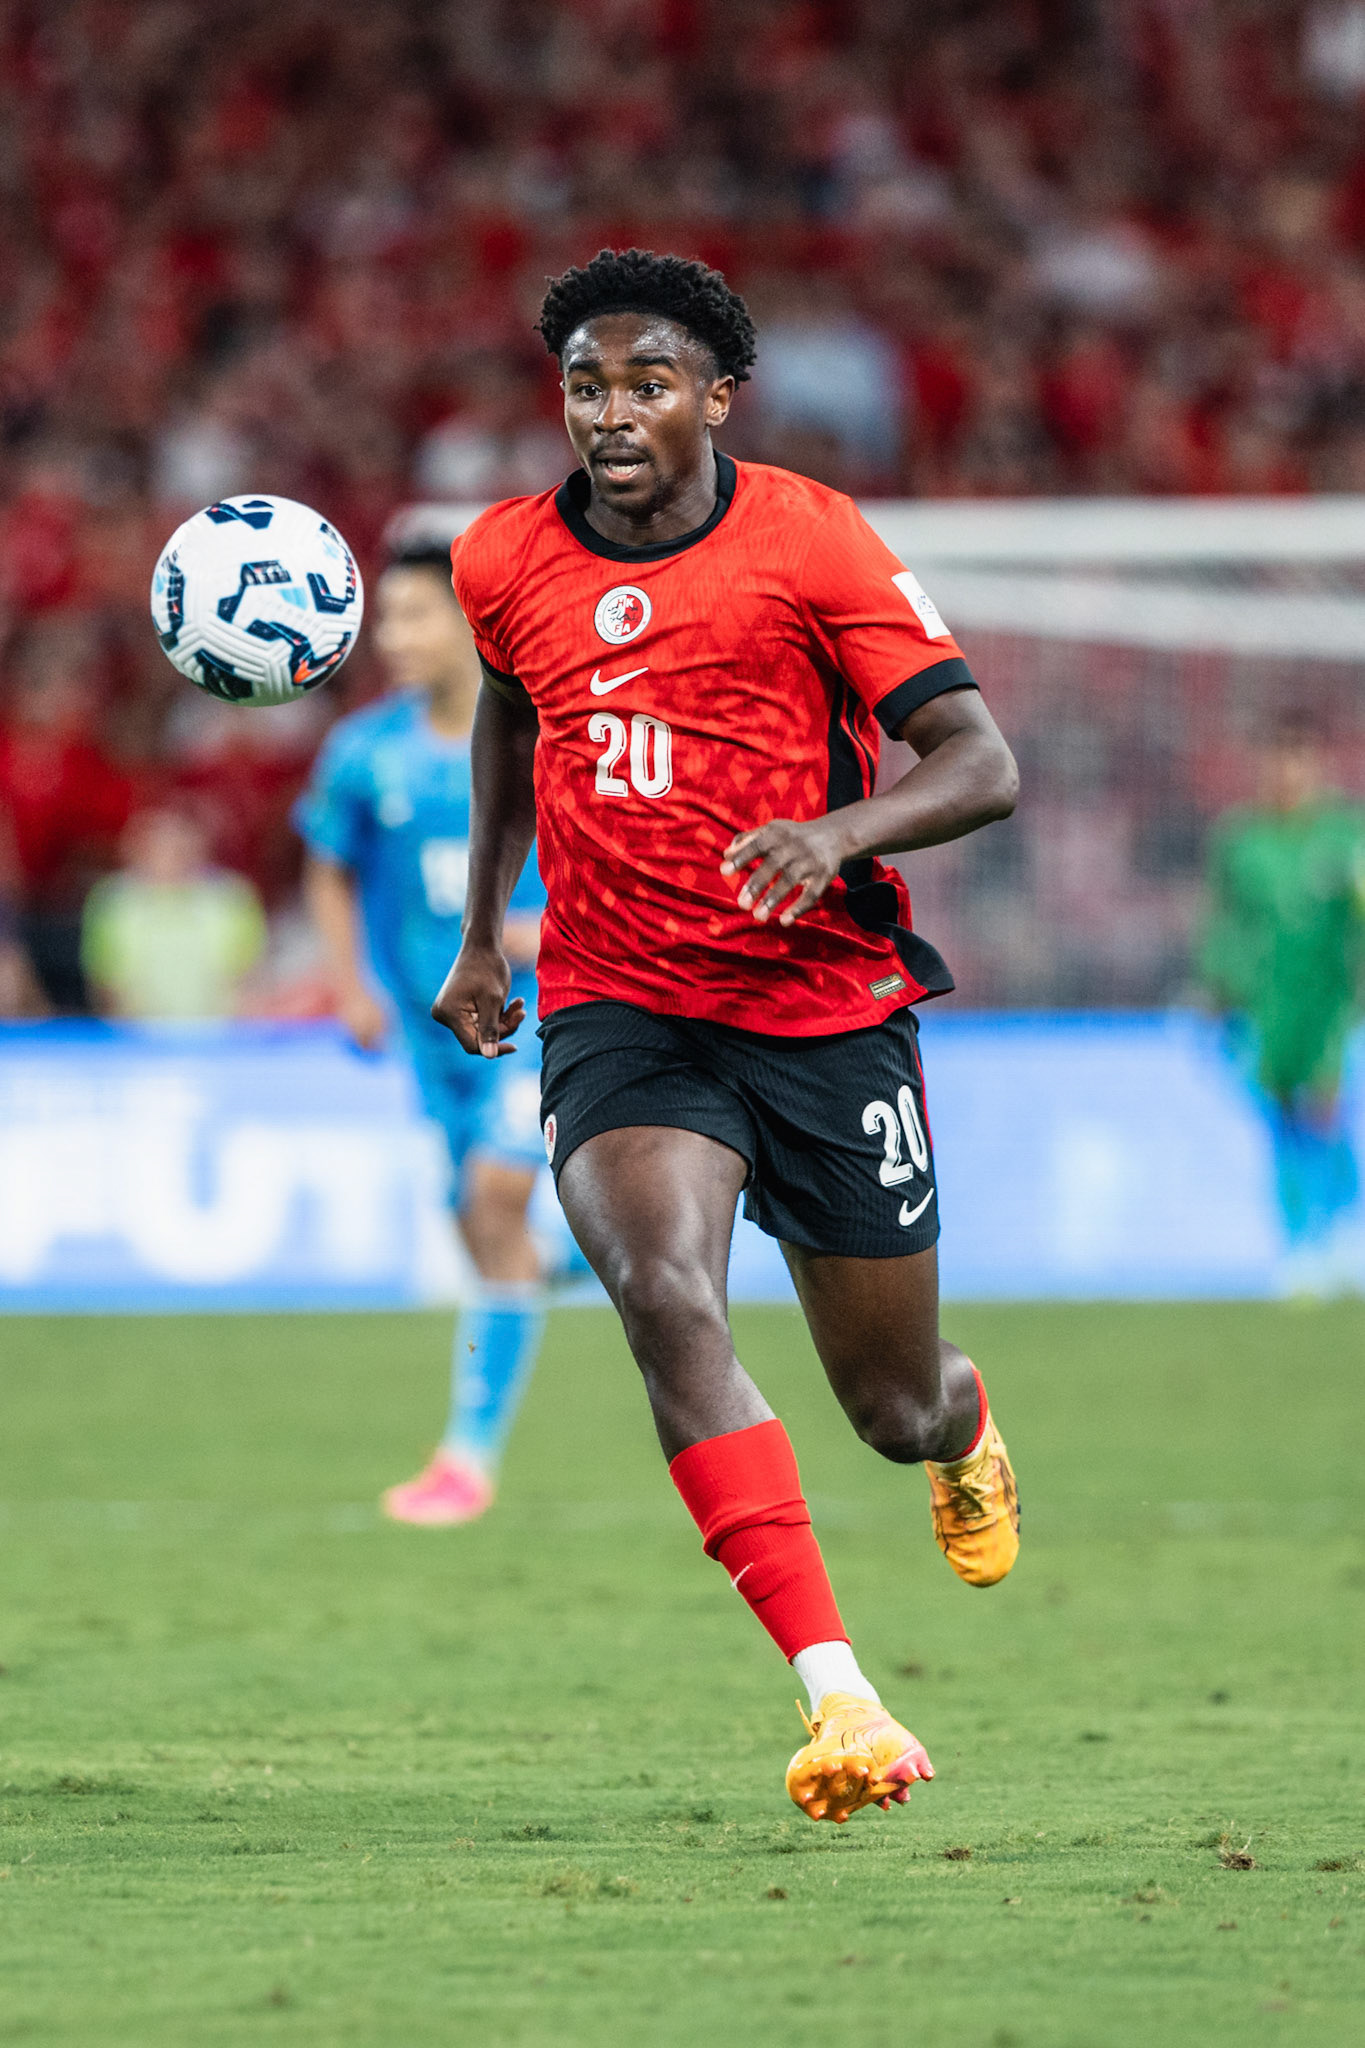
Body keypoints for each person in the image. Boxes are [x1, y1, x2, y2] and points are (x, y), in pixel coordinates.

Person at [432, 248, 1021, 1825]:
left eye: (644, 383)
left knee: (892, 1409)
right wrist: (488, 927)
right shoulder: (501, 557)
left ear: (715, 397)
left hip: (823, 1010)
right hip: (625, 1006)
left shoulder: (808, 538)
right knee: (658, 1286)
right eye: (583, 385)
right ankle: (842, 1696)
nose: (610, 412)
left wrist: (836, 835)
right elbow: (507, 711)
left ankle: (964, 1429)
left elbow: (979, 761)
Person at [295, 543, 549, 1524]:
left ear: (469, 621)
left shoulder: (539, 739)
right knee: (483, 1226)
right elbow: (327, 864)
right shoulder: (364, 753)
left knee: (492, 1201)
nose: (391, 639)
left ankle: (465, 1459)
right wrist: (345, 980)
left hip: (538, 1017)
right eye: (385, 620)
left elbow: (613, 851)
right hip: (425, 1028)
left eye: (412, 616)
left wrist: (548, 926)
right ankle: (568, 1264)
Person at [1200, 708, 1365, 1295]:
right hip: (1264, 1007)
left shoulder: (1347, 834)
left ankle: (1343, 1229)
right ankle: (1300, 1246)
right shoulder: (1242, 839)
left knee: (1325, 1114)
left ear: (1318, 763)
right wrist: (1215, 988)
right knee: (1282, 1123)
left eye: (1300, 758)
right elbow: (1222, 923)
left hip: (1330, 1006)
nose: (1289, 771)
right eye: (1279, 758)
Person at [81, 806, 266, 1019]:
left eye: (180, 846)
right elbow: (107, 983)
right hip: (137, 1034)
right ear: (135, 849)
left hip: (219, 1034)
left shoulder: (232, 897)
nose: (170, 856)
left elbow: (247, 978)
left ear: (201, 847)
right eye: (159, 846)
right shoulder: (112, 901)